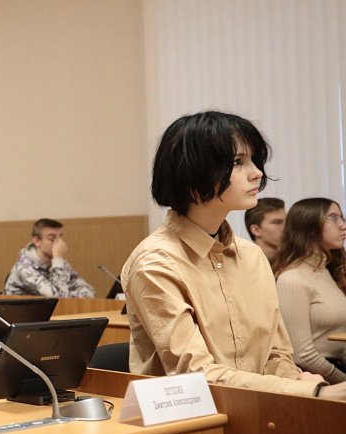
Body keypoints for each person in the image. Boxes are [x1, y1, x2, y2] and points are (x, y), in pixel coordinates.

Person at [121, 110, 346, 400]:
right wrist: (314, 391)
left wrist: (300, 386)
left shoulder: (251, 256)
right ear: (193, 174)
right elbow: (196, 375)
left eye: (254, 160)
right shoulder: (155, 262)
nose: (257, 173)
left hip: (262, 409)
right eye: (238, 162)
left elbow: (276, 355)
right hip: (192, 417)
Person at [274, 198, 346, 383]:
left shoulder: (327, 270)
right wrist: (342, 381)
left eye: (341, 217)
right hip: (319, 379)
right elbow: (302, 355)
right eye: (333, 218)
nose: (342, 225)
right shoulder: (292, 279)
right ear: (310, 227)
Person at [4, 218, 95, 298]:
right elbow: (58, 298)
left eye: (60, 237)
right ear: (37, 241)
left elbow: (89, 291)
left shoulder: (59, 263)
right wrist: (57, 258)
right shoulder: (24, 267)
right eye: (52, 238)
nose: (58, 243)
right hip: (20, 311)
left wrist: (67, 295)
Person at [244, 197, 286, 262]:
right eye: (277, 223)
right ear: (256, 230)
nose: (286, 227)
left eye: (287, 222)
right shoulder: (242, 263)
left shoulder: (294, 262)